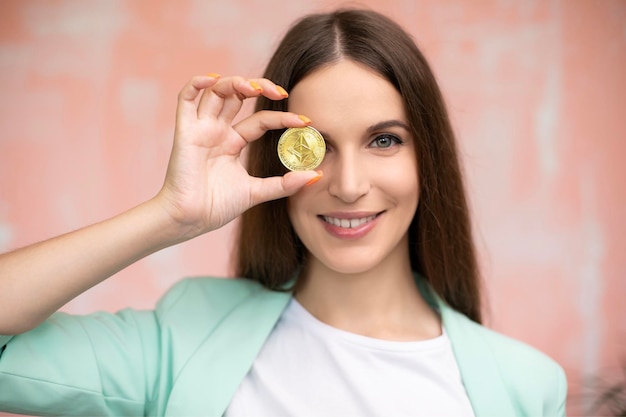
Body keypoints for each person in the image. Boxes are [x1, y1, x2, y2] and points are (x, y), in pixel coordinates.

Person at [0, 8, 566, 417]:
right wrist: (169, 216)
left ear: (428, 156)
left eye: (384, 141)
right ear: (277, 162)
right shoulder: (188, 333)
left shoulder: (526, 385)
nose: (347, 186)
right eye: (315, 145)